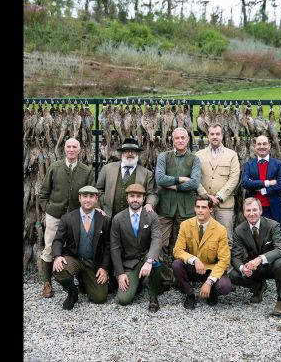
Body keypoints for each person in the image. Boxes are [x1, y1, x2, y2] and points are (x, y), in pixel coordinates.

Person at [38, 138, 95, 299]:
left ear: (79, 150)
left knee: (77, 246)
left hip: (77, 217)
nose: (71, 149)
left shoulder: (86, 170)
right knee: (49, 247)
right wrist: (48, 209)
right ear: (64, 149)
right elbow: (43, 193)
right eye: (68, 147)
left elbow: (92, 193)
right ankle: (47, 282)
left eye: (74, 147)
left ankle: (79, 279)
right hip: (54, 215)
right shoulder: (54, 167)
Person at [155, 127, 201, 290]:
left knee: (184, 246)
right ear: (172, 140)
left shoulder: (194, 159)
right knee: (160, 244)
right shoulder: (163, 157)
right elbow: (159, 179)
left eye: (183, 138)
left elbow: (194, 183)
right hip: (165, 208)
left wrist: (175, 187)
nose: (180, 140)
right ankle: (165, 279)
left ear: (188, 140)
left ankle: (182, 280)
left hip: (186, 209)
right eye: (177, 138)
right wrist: (181, 179)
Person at [51, 186, 111, 310]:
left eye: (91, 197)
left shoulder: (104, 220)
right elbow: (58, 240)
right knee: (59, 269)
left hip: (93, 263)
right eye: (84, 196)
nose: (87, 200)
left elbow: (108, 246)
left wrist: (104, 268)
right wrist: (57, 256)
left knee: (100, 298)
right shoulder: (68, 218)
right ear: (79, 198)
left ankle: (84, 281)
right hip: (75, 259)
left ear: (96, 199)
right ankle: (73, 293)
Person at [229, 197, 281, 316]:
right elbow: (235, 257)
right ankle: (258, 286)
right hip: (254, 268)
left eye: (254, 210)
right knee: (233, 275)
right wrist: (243, 268)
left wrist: (260, 259)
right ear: (244, 213)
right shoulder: (239, 230)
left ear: (261, 211)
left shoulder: (273, 225)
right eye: (248, 210)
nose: (251, 213)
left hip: (272, 264)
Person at [171, 195, 232, 309]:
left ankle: (212, 293)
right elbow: (177, 250)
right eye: (197, 207)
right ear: (194, 208)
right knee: (176, 265)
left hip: (211, 269)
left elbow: (224, 260)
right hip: (193, 268)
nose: (200, 210)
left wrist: (209, 282)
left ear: (210, 209)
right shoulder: (185, 225)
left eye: (203, 207)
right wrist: (194, 259)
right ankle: (189, 294)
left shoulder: (220, 229)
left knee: (225, 286)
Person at [110, 184, 162, 312]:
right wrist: (120, 274)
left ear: (144, 198)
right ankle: (137, 282)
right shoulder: (118, 219)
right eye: (132, 196)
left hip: (146, 257)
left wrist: (149, 260)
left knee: (155, 261)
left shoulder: (152, 216)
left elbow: (157, 239)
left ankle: (153, 297)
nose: (135, 199)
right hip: (129, 262)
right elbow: (115, 248)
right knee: (123, 300)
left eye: (138, 196)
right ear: (127, 198)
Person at [195, 123, 240, 247]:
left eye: (217, 134)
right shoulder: (198, 155)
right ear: (208, 135)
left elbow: (234, 178)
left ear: (222, 135)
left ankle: (226, 267)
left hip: (224, 205)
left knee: (226, 239)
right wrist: (205, 196)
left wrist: (219, 196)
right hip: (204, 204)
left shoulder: (232, 155)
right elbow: (195, 179)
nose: (215, 137)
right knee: (204, 239)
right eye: (212, 134)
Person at [95, 137, 158, 218]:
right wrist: (102, 204)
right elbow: (98, 189)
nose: (130, 153)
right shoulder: (107, 169)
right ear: (121, 154)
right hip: (108, 216)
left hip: (135, 218)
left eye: (133, 151)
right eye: (126, 151)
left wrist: (149, 204)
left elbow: (152, 193)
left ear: (138, 154)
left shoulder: (147, 173)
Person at [240, 135, 281, 235]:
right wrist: (267, 182)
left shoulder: (278, 164)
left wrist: (263, 190)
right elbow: (245, 183)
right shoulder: (249, 165)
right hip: (254, 211)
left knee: (276, 239)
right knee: (256, 240)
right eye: (259, 144)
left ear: (269, 146)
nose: (262, 146)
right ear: (255, 146)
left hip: (274, 210)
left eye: (264, 144)